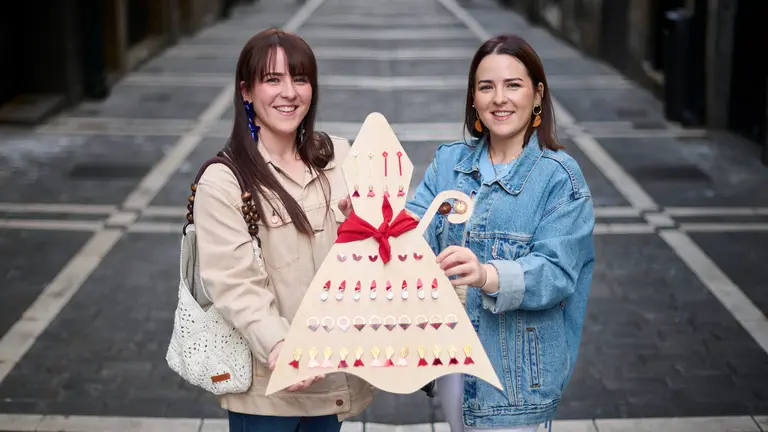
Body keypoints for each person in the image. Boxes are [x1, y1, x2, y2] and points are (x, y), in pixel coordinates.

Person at [406, 34, 595, 431]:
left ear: (538, 94)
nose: (499, 98)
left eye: (513, 85)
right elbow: (413, 227)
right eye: (486, 86)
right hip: (451, 369)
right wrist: (372, 219)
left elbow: (557, 274)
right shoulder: (449, 163)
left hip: (517, 386)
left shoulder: (560, 179)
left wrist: (486, 275)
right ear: (473, 98)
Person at [193, 28, 376, 432]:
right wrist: (281, 345)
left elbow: (377, 252)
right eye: (272, 80)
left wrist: (370, 225)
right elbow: (235, 282)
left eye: (300, 78)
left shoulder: (340, 157)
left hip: (332, 378)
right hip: (268, 391)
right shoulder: (225, 180)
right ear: (246, 92)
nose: (289, 92)